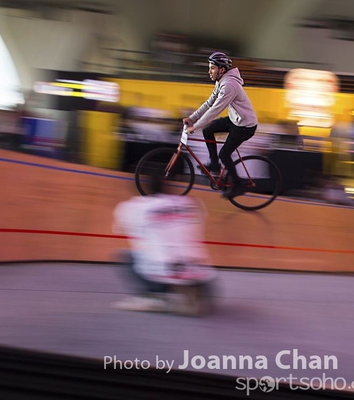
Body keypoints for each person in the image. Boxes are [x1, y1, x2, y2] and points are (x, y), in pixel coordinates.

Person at [111, 172, 216, 315]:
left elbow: (120, 229)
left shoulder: (136, 206)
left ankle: (153, 295)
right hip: (199, 275)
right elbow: (200, 223)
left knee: (126, 255)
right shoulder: (191, 203)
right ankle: (191, 294)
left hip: (160, 274)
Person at [183, 52, 259, 198]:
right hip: (236, 120)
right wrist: (192, 118)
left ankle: (238, 184)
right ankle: (215, 165)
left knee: (224, 154)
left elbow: (215, 110)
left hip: (245, 126)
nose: (209, 71)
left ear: (222, 69)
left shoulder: (229, 85)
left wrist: (195, 126)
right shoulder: (221, 81)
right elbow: (209, 103)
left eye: (212, 68)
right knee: (208, 130)